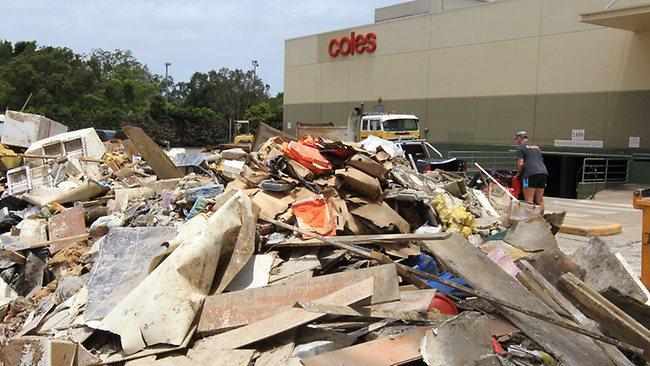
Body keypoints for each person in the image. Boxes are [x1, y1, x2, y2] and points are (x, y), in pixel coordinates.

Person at [514, 131, 548, 213]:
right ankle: (541, 219)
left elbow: (520, 163)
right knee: (540, 199)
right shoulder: (536, 147)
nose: (516, 141)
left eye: (516, 139)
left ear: (519, 137)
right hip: (543, 172)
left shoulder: (521, 147)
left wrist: (519, 174)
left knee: (529, 200)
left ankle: (530, 221)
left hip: (530, 173)